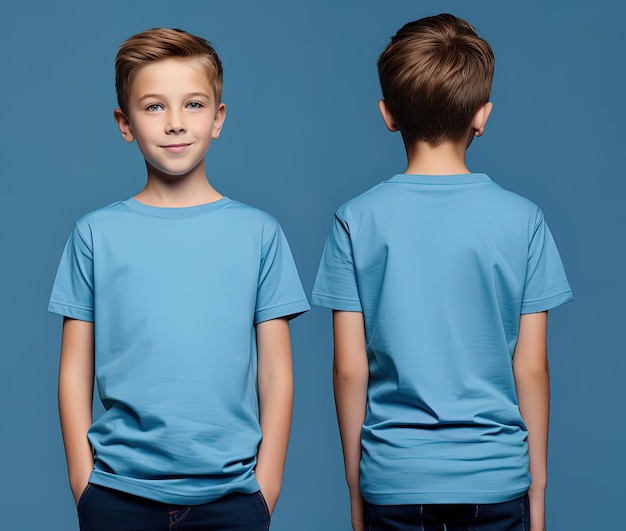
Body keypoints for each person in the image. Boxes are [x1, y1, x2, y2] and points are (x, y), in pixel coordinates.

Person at [312, 13, 572, 531]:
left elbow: (348, 370)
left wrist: (355, 485)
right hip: (497, 479)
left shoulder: (355, 219)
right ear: (483, 115)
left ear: (388, 115)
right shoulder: (524, 220)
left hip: (394, 477)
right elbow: (532, 368)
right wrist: (537, 491)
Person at [49, 27, 309, 530]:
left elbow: (277, 374)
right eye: (153, 107)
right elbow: (74, 372)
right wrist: (84, 486)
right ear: (125, 123)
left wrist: (267, 486)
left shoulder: (259, 233)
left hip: (233, 497)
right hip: (115, 495)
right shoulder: (95, 234)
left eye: (192, 104)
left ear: (218, 117)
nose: (174, 124)